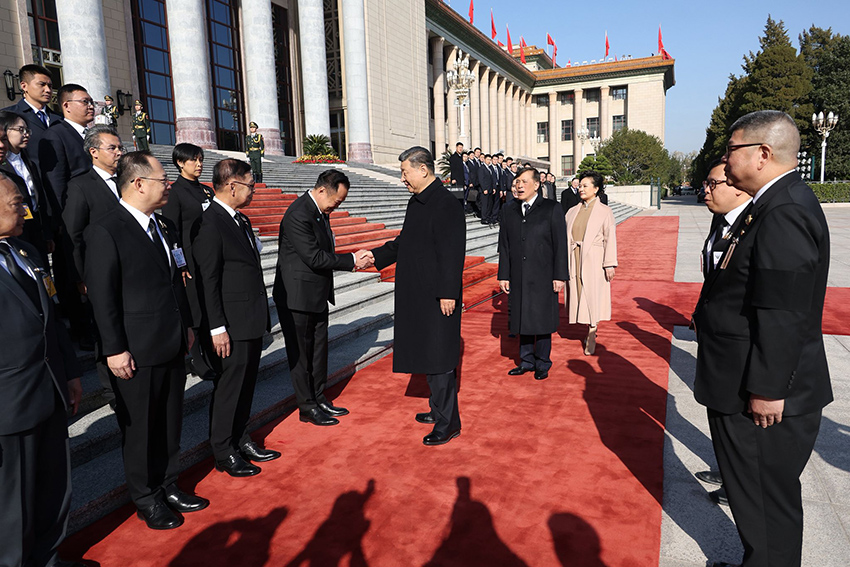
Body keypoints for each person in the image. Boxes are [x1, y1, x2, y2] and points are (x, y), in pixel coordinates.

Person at [692, 110, 832, 567]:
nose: (726, 160)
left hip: (763, 395)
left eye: (732, 150)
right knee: (754, 499)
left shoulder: (784, 210)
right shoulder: (770, 204)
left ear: (763, 153)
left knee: (766, 504)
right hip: (744, 379)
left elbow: (782, 310)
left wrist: (769, 389)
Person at [84, 151, 208, 530]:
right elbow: (102, 298)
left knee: (169, 421)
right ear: (138, 184)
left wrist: (186, 326)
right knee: (140, 429)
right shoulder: (106, 229)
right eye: (161, 179)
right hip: (133, 350)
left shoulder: (163, 225)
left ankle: (168, 483)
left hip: (170, 341)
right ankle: (146, 497)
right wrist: (114, 349)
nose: (167, 185)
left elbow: (175, 280)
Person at [0, 174, 84, 567]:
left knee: (53, 490)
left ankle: (47, 559)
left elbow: (51, 318)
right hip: (9, 406)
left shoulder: (27, 252)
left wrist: (69, 373)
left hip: (49, 390)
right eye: (17, 203)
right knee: (12, 509)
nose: (25, 209)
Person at [365, 147, 466, 446]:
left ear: (423, 170)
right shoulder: (418, 202)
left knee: (439, 359)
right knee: (429, 355)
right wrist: (376, 256)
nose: (402, 178)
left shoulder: (446, 203)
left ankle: (449, 423)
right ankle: (437, 410)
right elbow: (404, 242)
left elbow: (452, 252)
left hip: (438, 296)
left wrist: (448, 292)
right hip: (419, 294)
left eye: (405, 172)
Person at [193, 158, 279, 477]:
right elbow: (208, 280)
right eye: (250, 185)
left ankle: (242, 439)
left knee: (246, 386)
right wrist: (217, 327)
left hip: (250, 318)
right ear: (232, 186)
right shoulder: (210, 222)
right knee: (230, 389)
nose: (253, 191)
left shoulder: (239, 219)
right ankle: (223, 450)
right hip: (230, 323)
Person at [272, 169, 370, 426]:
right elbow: (314, 256)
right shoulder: (298, 213)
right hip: (296, 297)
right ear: (323, 190)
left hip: (315, 294)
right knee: (302, 354)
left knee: (318, 351)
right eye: (337, 201)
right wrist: (352, 260)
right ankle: (306, 406)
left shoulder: (320, 210)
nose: (337, 207)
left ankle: (318, 396)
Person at [692, 158, 752, 505]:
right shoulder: (721, 220)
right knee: (721, 414)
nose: (706, 190)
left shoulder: (753, 224)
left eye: (714, 184)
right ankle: (726, 467)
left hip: (737, 341)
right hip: (716, 333)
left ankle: (738, 482)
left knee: (737, 418)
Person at [62, 125, 124, 408]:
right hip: (97, 273)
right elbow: (73, 236)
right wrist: (80, 276)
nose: (119, 153)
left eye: (120, 147)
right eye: (112, 148)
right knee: (104, 330)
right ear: (93, 152)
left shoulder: (126, 180)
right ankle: (111, 390)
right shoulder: (80, 185)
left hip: (128, 270)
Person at [39, 83, 96, 350]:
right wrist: (62, 222)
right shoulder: (56, 135)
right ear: (66, 106)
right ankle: (82, 332)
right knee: (73, 275)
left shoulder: (90, 135)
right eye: (84, 101)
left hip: (95, 218)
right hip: (72, 221)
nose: (91, 106)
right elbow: (56, 182)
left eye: (91, 101)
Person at [498, 167, 568, 380]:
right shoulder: (509, 209)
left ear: (537, 185)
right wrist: (504, 274)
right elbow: (505, 245)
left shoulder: (551, 208)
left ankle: (542, 362)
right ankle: (526, 360)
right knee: (522, 316)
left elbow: (560, 245)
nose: (519, 185)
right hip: (518, 274)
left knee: (542, 319)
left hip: (544, 274)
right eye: (517, 181)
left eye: (524, 181)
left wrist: (560, 275)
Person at [161, 143, 216, 378]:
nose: (199, 164)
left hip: (210, 257)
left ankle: (210, 349)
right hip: (190, 260)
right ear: (180, 163)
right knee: (193, 307)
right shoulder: (175, 192)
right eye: (193, 160)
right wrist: (180, 263)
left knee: (208, 303)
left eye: (201, 159)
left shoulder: (206, 191)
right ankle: (195, 357)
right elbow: (171, 231)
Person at [565, 170, 617, 356]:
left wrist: (609, 263)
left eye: (585, 185)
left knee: (592, 295)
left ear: (596, 189)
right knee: (579, 293)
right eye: (580, 185)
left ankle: (592, 330)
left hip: (594, 258)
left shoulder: (605, 211)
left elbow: (610, 238)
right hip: (575, 256)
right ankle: (587, 324)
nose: (581, 188)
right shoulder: (572, 211)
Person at [0, 111, 56, 269]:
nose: (26, 134)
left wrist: (46, 233)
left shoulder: (29, 161)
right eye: (20, 130)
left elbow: (39, 198)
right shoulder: (2, 165)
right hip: (13, 230)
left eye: (27, 130)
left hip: (34, 226)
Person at [2, 64, 63, 171]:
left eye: (50, 86)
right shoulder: (8, 115)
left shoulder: (59, 119)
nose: (48, 90)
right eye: (42, 85)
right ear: (24, 86)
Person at [478, 154, 495, 226]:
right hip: (484, 190)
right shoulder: (481, 168)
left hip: (490, 189)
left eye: (489, 160)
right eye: (487, 159)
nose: (489, 161)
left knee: (489, 204)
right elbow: (481, 179)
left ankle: (487, 217)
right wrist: (484, 188)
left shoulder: (489, 168)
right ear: (484, 159)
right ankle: (484, 218)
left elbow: (492, 179)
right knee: (485, 204)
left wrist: (493, 188)